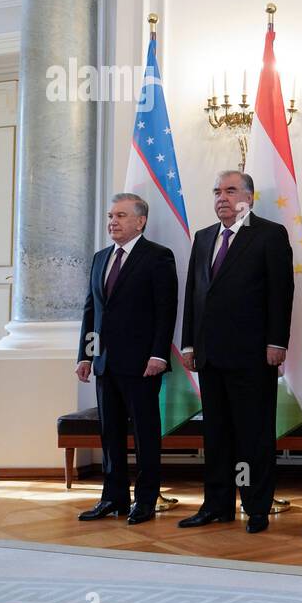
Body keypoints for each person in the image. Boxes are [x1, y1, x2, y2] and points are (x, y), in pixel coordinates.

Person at [178, 170, 293, 534]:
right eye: (216, 191)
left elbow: (281, 292)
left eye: (230, 191)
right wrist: (188, 342)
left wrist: (278, 342)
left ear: (249, 197)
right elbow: (194, 295)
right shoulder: (204, 237)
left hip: (252, 355)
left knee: (254, 435)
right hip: (210, 355)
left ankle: (257, 507)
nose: (222, 198)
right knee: (216, 434)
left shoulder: (270, 235)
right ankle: (217, 505)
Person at [75, 193, 177, 525]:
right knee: (111, 434)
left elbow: (166, 311)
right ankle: (113, 498)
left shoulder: (158, 257)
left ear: (140, 221)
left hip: (143, 365)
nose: (112, 222)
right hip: (105, 364)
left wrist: (159, 354)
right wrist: (86, 356)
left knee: (146, 435)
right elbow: (92, 311)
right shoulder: (100, 257)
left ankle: (146, 500)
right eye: (110, 216)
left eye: (120, 216)